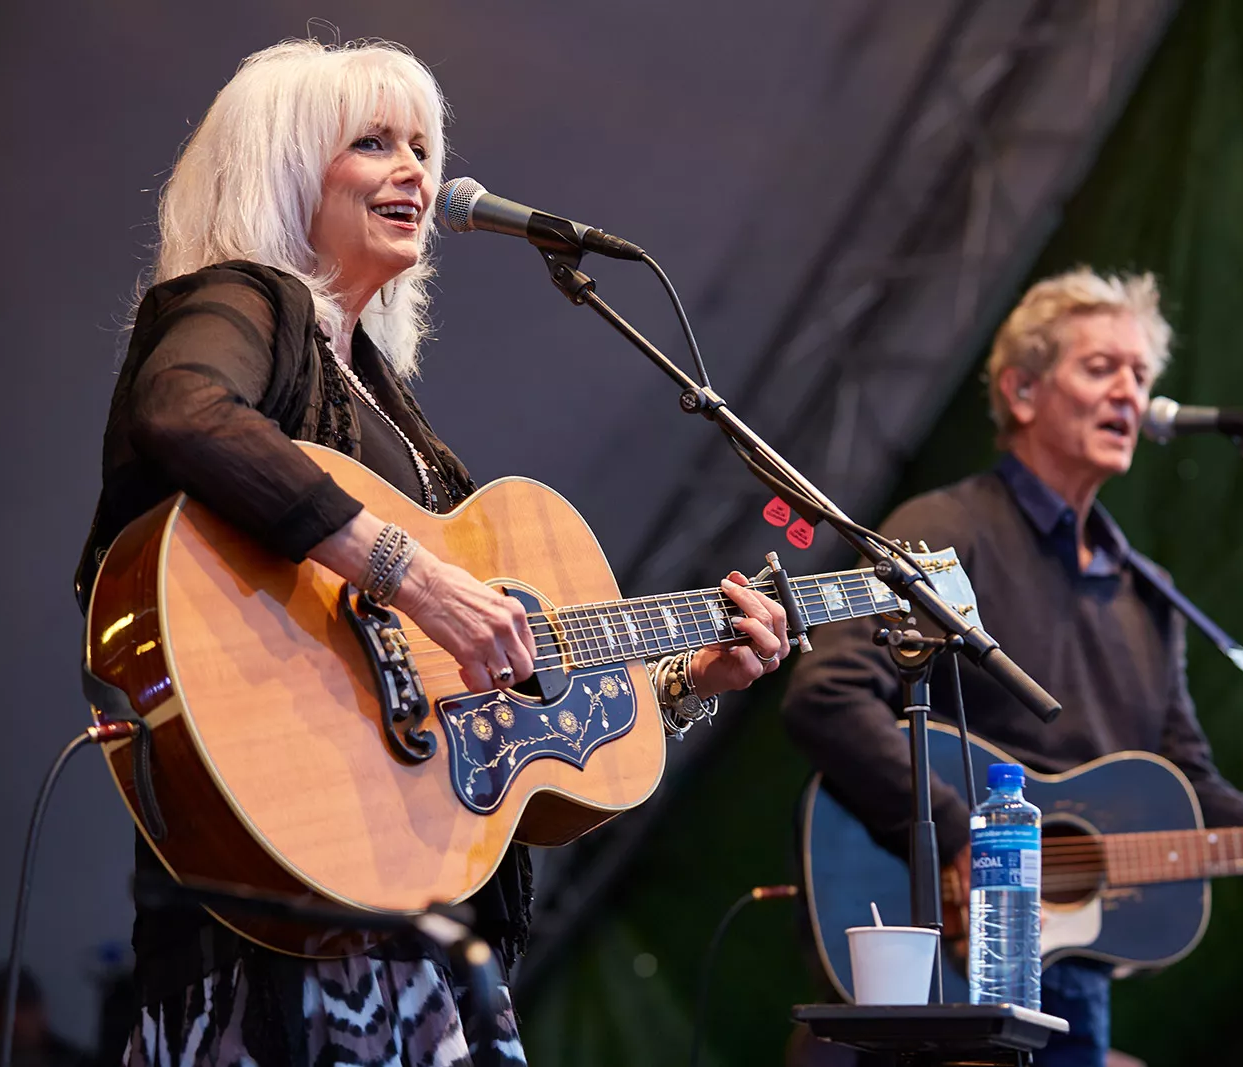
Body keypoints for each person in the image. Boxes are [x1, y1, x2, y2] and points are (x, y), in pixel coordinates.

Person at [75, 39, 792, 1066]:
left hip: (402, 906)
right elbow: (184, 413)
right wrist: (409, 571)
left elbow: (486, 705)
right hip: (285, 913)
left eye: (421, 143)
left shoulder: (384, 402)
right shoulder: (247, 302)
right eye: (373, 144)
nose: (415, 169)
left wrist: (681, 680)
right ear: (282, 171)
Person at [780, 268, 1243, 1067]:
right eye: (1101, 367)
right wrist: (962, 834)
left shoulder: (1149, 596)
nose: (1130, 395)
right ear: (1023, 392)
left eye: (1140, 375)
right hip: (927, 979)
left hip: (1064, 995)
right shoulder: (944, 530)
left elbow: (1193, 797)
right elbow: (826, 691)